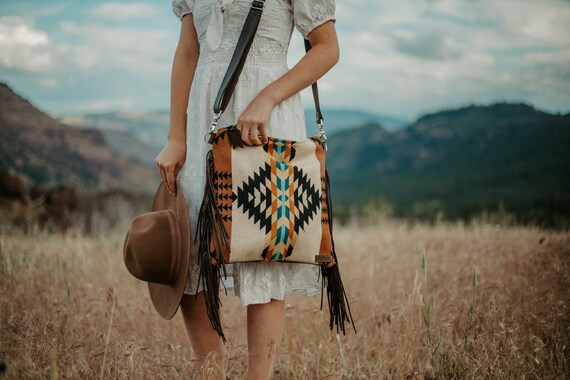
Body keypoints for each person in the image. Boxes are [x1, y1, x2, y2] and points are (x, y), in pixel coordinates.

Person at [156, 0, 339, 378]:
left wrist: (267, 98)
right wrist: (176, 137)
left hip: (266, 121)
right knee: (189, 251)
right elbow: (188, 52)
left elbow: (327, 47)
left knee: (264, 249)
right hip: (203, 118)